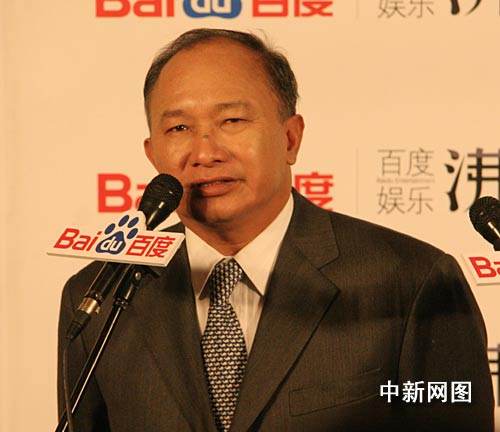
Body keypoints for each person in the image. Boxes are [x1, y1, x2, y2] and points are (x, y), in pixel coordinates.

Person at [58, 28, 494, 431]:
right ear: (153, 153)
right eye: (179, 128)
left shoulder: (412, 280)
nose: (204, 152)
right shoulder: (99, 296)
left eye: (231, 121)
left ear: (290, 138)